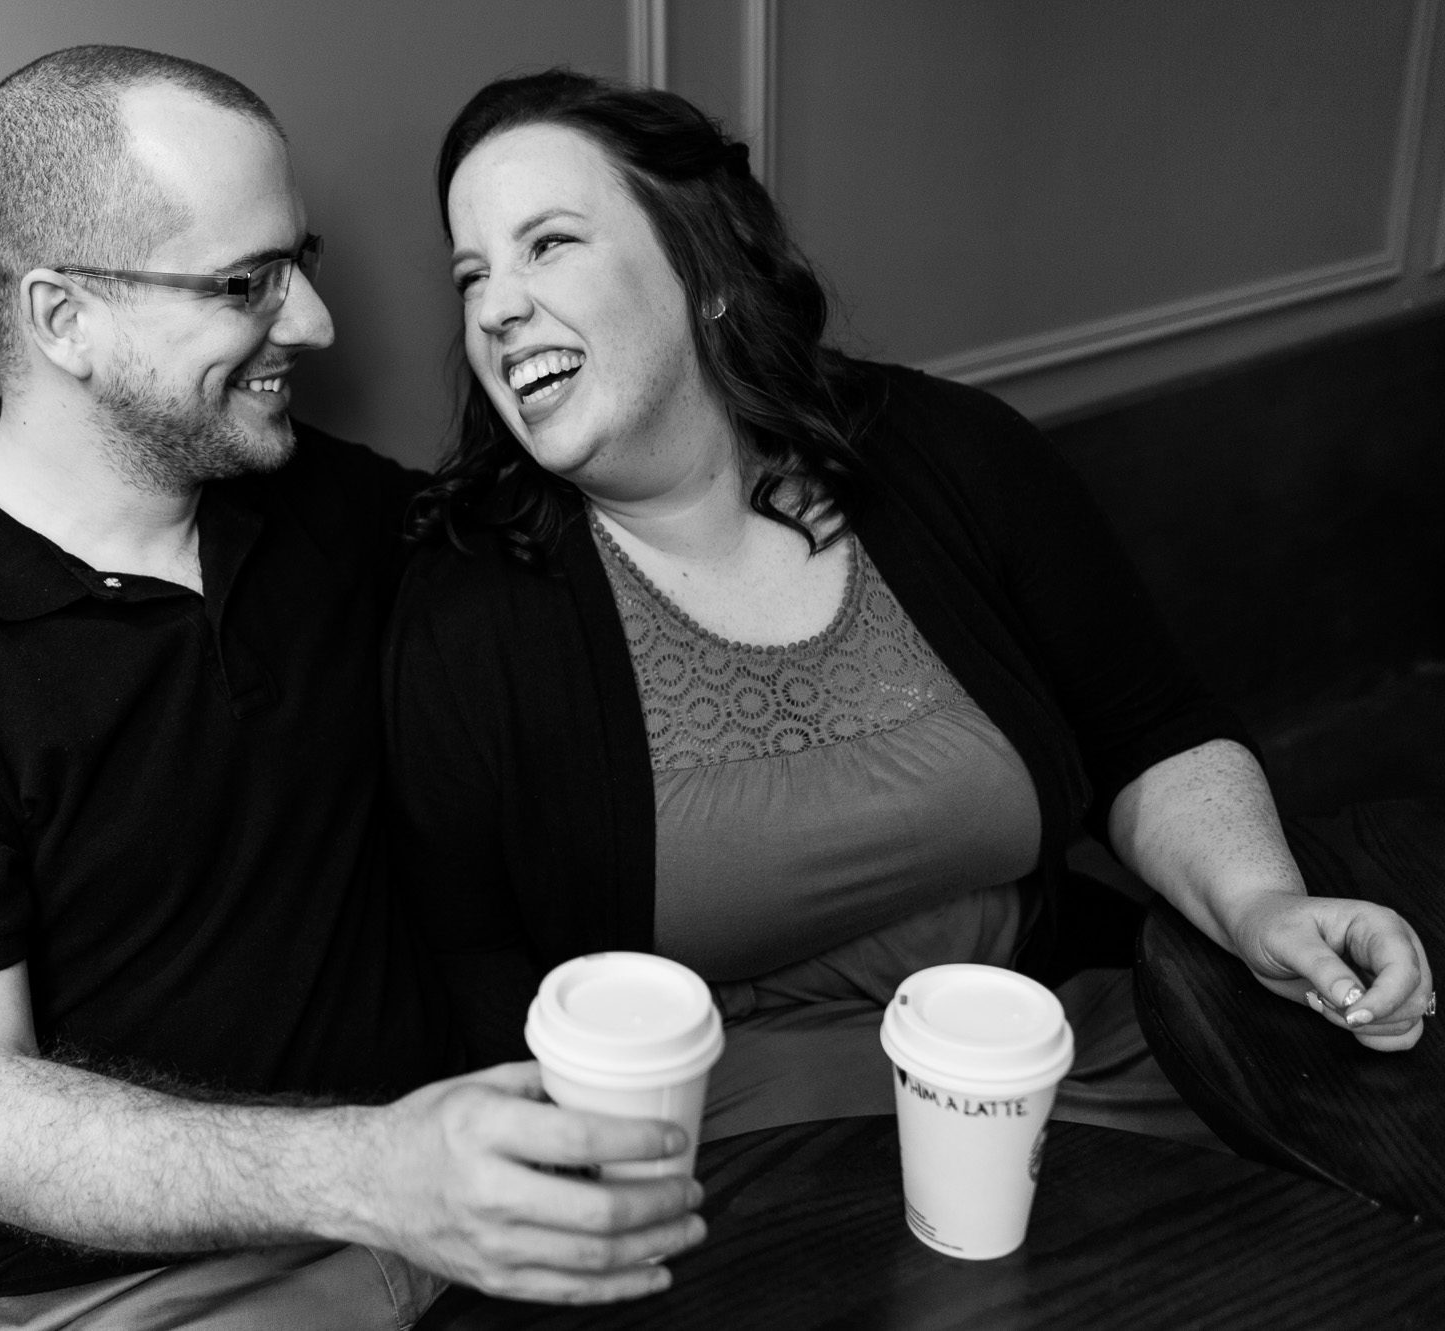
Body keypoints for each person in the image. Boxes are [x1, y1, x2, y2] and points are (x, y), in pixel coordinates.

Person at [0, 48, 707, 1330]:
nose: (312, 321)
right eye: (245, 283)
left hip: (466, 1204)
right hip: (143, 1290)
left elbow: (604, 549)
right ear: (63, 319)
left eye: (298, 261)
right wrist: (371, 1172)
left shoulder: (327, 509)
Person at [385, 69, 1433, 1146]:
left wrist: (1261, 904)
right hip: (728, 1143)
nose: (494, 308)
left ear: (703, 270)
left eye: (547, 244)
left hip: (1045, 1046)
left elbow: (1148, 732)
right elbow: (473, 971)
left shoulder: (951, 458)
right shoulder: (469, 614)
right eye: (472, 275)